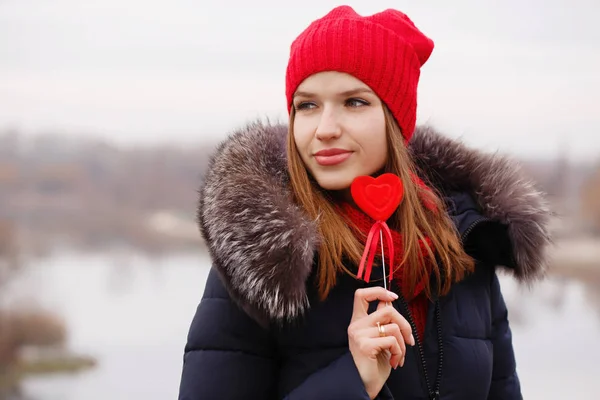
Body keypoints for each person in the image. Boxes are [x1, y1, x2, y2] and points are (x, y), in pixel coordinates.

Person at [178, 5, 551, 400]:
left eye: (354, 102)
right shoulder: (266, 265)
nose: (324, 129)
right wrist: (354, 380)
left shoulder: (465, 242)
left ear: (396, 119)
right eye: (307, 105)